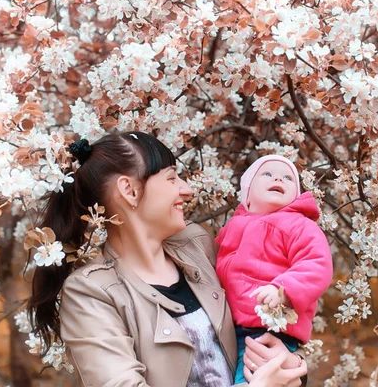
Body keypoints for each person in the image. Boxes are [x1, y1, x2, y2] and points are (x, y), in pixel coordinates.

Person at [27, 132, 307, 386]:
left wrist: (290, 362)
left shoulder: (199, 248)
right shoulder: (90, 292)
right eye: (172, 178)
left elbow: (261, 324)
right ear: (130, 190)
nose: (186, 190)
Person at [215, 155, 333, 384]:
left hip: (270, 328)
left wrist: (283, 290)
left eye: (289, 177)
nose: (278, 178)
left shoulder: (298, 225)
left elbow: (317, 263)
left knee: (250, 379)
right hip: (231, 328)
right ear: (247, 190)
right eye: (267, 174)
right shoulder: (231, 227)